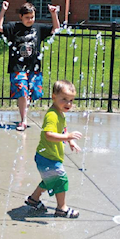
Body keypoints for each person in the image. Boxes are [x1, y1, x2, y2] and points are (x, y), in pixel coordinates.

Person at [0, 1, 60, 131]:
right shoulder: (14, 27)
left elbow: (56, 29)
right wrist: (3, 10)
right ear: (21, 16)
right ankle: (23, 120)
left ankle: (24, 108)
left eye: (32, 17)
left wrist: (54, 14)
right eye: (27, 17)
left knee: (33, 93)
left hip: (34, 67)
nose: (30, 20)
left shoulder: (38, 28)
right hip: (17, 66)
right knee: (22, 91)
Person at [25, 80, 82, 218]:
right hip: (47, 157)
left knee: (49, 179)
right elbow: (48, 135)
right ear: (54, 97)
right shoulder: (52, 115)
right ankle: (61, 208)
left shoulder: (60, 113)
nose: (68, 104)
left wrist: (70, 140)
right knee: (61, 181)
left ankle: (33, 199)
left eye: (71, 100)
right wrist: (67, 136)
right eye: (64, 99)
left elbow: (62, 131)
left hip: (48, 156)